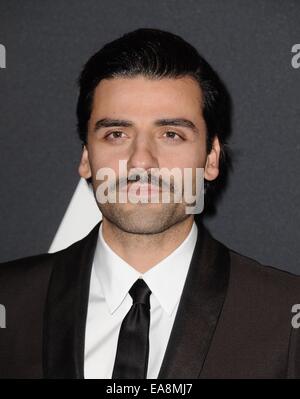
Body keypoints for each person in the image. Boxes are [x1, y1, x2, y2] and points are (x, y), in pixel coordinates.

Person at [0, 28, 299, 379]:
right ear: (86, 157)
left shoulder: (285, 319)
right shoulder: (11, 302)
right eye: (116, 134)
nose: (141, 161)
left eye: (171, 134)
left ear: (211, 158)